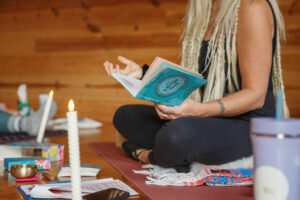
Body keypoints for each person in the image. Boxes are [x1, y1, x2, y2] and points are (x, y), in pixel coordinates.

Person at [103, 0, 289, 171]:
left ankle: (148, 155)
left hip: (250, 123)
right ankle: (183, 153)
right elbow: (195, 80)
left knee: (175, 137)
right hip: (210, 117)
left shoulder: (252, 8)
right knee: (125, 116)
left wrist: (196, 111)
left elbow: (255, 96)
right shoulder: (205, 8)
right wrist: (143, 74)